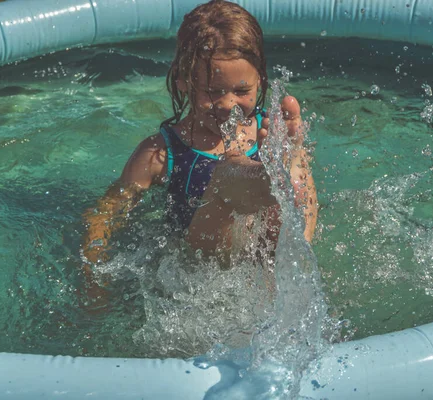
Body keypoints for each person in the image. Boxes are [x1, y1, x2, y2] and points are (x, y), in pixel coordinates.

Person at [80, 0, 317, 307]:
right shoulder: (160, 152)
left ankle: (285, 179)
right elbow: (106, 213)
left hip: (264, 256)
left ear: (260, 81)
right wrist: (93, 275)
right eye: (214, 91)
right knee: (230, 188)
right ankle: (250, 180)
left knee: (292, 194)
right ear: (182, 81)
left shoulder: (269, 133)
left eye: (242, 91)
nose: (229, 104)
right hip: (199, 264)